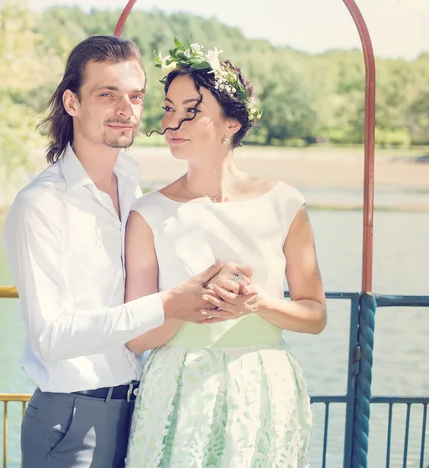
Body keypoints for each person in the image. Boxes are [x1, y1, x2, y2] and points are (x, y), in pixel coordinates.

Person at [2, 35, 252, 468]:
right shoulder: (40, 204)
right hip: (72, 419)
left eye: (135, 96)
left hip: (140, 411)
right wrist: (168, 303)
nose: (126, 109)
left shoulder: (131, 182)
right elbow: (50, 339)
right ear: (72, 103)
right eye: (107, 94)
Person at [124, 39, 327, 467]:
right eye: (168, 108)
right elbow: (137, 337)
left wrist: (258, 302)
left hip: (263, 388)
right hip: (178, 392)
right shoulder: (147, 213)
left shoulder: (285, 203)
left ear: (231, 123)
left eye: (191, 110)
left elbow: (315, 317)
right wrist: (185, 305)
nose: (172, 122)